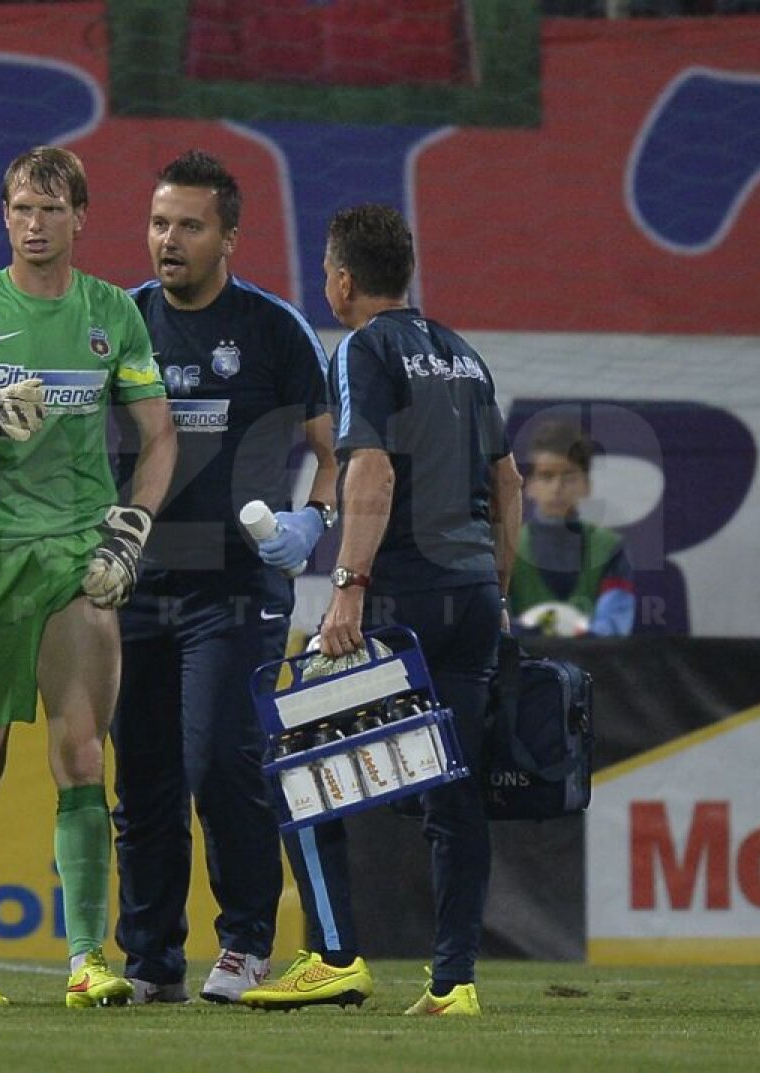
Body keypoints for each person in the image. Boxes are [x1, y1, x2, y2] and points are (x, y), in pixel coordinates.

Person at [0, 146, 176, 1009]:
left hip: (75, 553)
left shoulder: (111, 316)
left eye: (51, 209)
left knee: (84, 753)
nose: (34, 222)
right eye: (21, 207)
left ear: (81, 217)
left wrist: (131, 529)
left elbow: (159, 435)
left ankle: (89, 958)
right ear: (4, 215)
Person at [243, 204, 523, 1014]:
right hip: (472, 594)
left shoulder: (362, 349)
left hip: (404, 597)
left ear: (341, 280)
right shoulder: (462, 356)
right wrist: (500, 591)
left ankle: (334, 955)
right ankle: (454, 981)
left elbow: (369, 472)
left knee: (298, 756)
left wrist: (348, 586)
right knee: (453, 791)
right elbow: (506, 483)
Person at [110, 149, 337, 1004]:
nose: (168, 240)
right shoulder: (120, 320)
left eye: (189, 225)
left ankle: (245, 941)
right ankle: (150, 960)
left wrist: (312, 522)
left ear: (230, 236)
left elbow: (331, 455)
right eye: (160, 223)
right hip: (132, 588)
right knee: (143, 782)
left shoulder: (276, 330)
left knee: (220, 765)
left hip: (235, 590)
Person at [509, 419, 635, 636]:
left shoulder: (610, 548)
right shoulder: (507, 548)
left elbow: (615, 625)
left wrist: (574, 632)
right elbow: (499, 623)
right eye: (547, 476)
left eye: (568, 476)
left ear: (587, 485)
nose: (557, 487)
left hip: (594, 667)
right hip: (524, 667)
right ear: (530, 485)